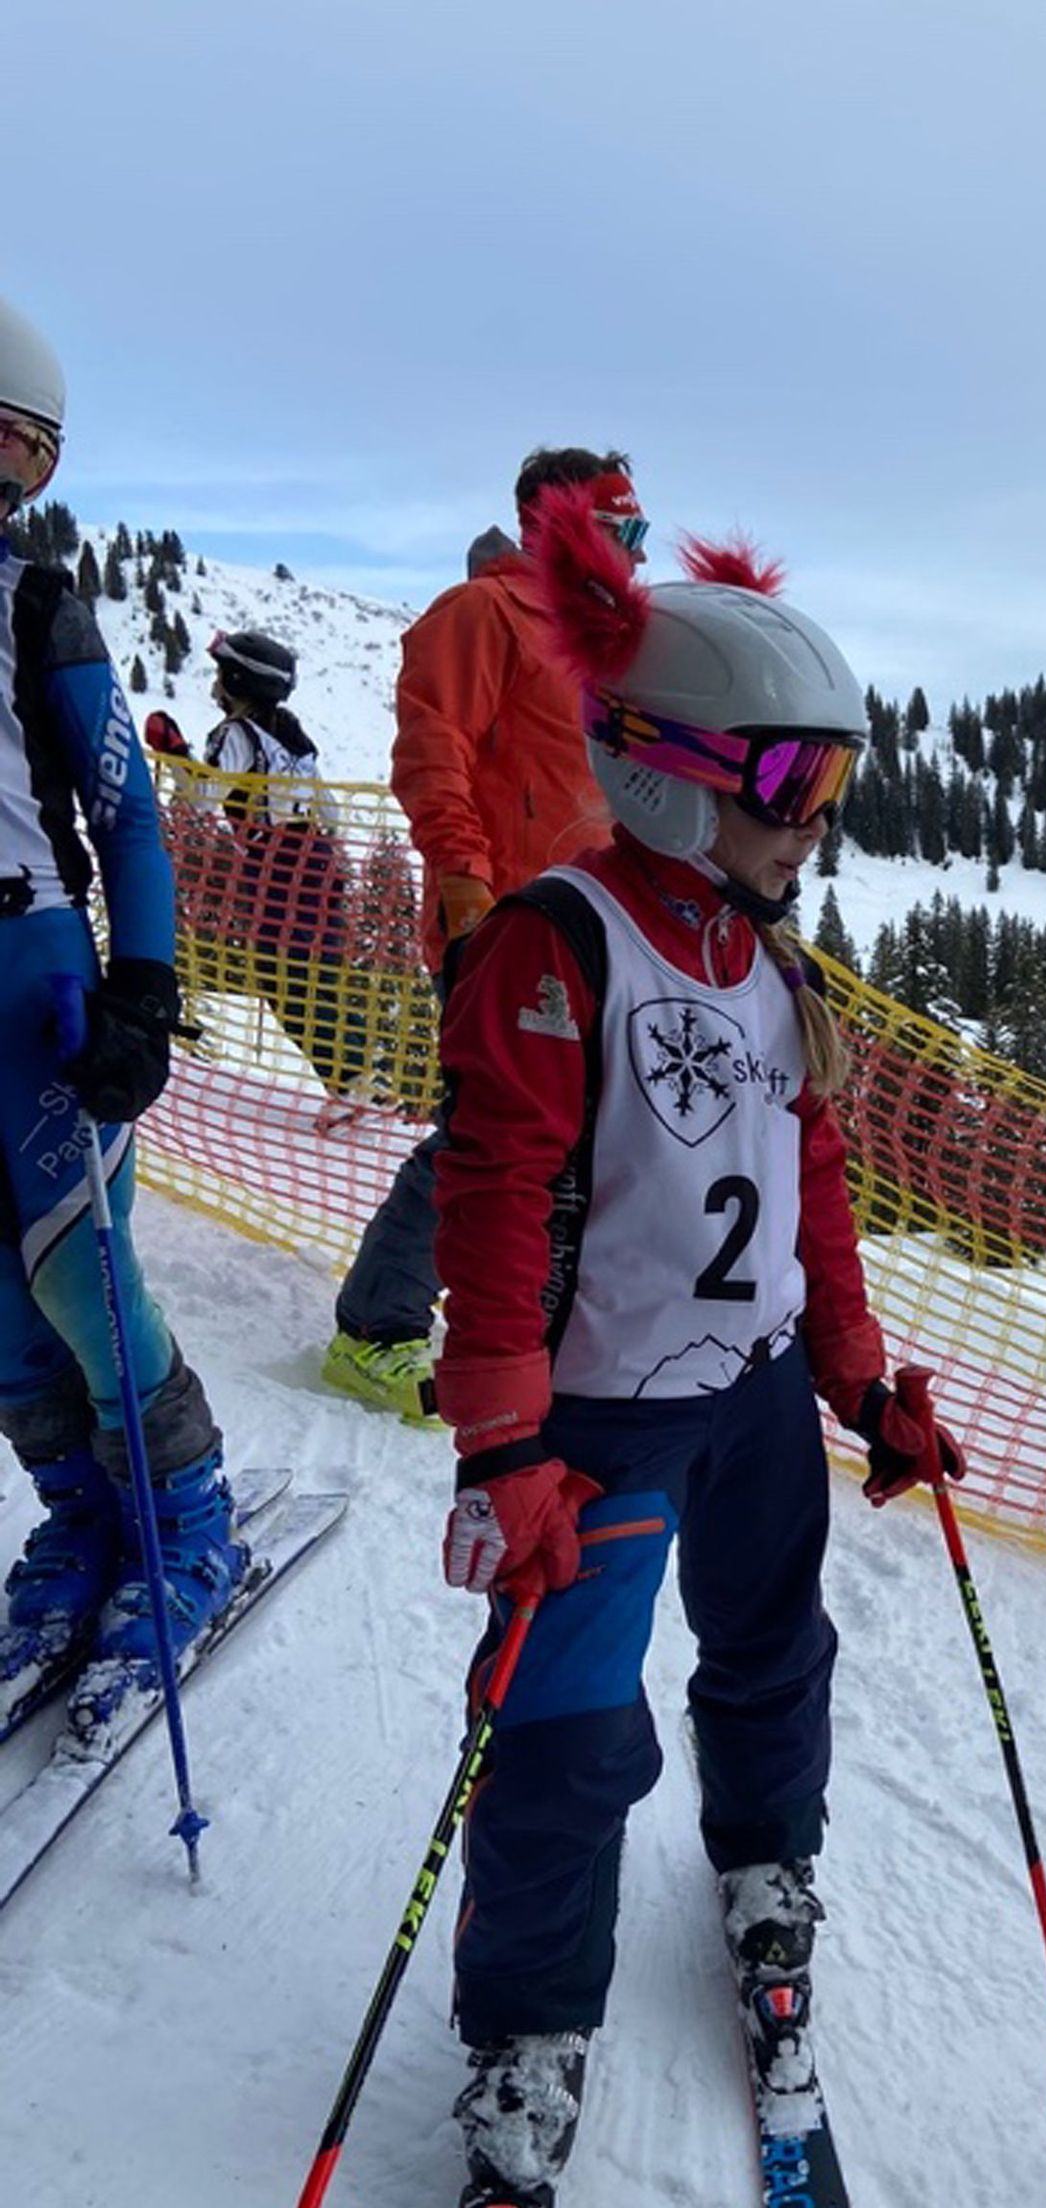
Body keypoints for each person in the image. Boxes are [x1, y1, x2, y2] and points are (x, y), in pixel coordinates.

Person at [427, 486, 965, 2208]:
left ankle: (765, 1862)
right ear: (668, 771)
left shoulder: (771, 964)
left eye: (832, 794)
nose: (816, 829)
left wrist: (860, 1375)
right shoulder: (555, 948)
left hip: (743, 1414)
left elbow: (808, 1191)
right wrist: (504, 1448)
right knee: (567, 1744)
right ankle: (526, 2035)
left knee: (768, 1654)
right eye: (791, 791)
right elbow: (493, 1194)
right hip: (596, 1434)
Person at [0, 293, 246, 1711]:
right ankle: (81, 1518)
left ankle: (186, 1518)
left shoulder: (35, 604)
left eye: (22, 456)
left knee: (77, 1273)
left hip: (29, 968)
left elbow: (126, 818)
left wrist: (142, 990)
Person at [322, 446, 648, 1425]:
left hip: (591, 937)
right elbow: (434, 745)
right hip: (505, 931)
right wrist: (464, 884)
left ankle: (519, 1323)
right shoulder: (483, 615)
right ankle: (372, 1332)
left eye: (640, 529)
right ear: (560, 528)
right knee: (486, 1140)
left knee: (574, 1145)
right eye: (618, 527)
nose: (635, 548)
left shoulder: (600, 647)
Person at [150, 634, 361, 1113]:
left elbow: (204, 796)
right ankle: (357, 1076)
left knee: (280, 976)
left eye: (221, 673)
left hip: (277, 865)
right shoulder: (293, 732)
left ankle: (347, 1085)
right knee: (318, 972)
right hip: (320, 859)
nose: (215, 684)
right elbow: (326, 805)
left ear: (236, 680)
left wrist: (176, 752)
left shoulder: (235, 735)